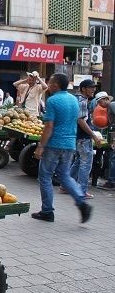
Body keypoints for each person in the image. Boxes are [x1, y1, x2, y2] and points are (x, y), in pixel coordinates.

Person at [32, 73, 92, 223]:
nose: (48, 84)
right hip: (70, 144)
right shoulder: (74, 100)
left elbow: (49, 126)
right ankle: (81, 202)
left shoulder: (53, 101)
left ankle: (47, 211)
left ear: (56, 85)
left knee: (45, 176)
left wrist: (40, 146)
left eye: (50, 82)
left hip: (54, 144)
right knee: (65, 175)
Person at [63, 79, 102, 199]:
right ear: (83, 89)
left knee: (78, 161)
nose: (93, 90)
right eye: (91, 87)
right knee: (86, 164)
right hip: (83, 137)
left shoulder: (75, 99)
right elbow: (80, 120)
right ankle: (81, 191)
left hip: (76, 135)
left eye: (94, 87)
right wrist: (93, 135)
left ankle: (65, 186)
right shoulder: (82, 101)